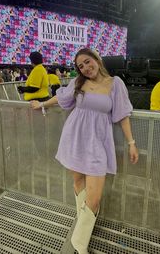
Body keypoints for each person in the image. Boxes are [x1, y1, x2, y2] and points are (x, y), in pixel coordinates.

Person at [30, 48, 139, 254]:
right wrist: (41, 104)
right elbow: (61, 98)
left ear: (97, 59)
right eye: (81, 66)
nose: (86, 68)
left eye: (88, 62)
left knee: (95, 198)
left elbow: (123, 115)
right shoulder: (78, 83)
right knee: (78, 181)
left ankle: (77, 242)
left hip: (98, 142)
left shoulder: (116, 84)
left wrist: (131, 142)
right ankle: (83, 228)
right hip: (75, 137)